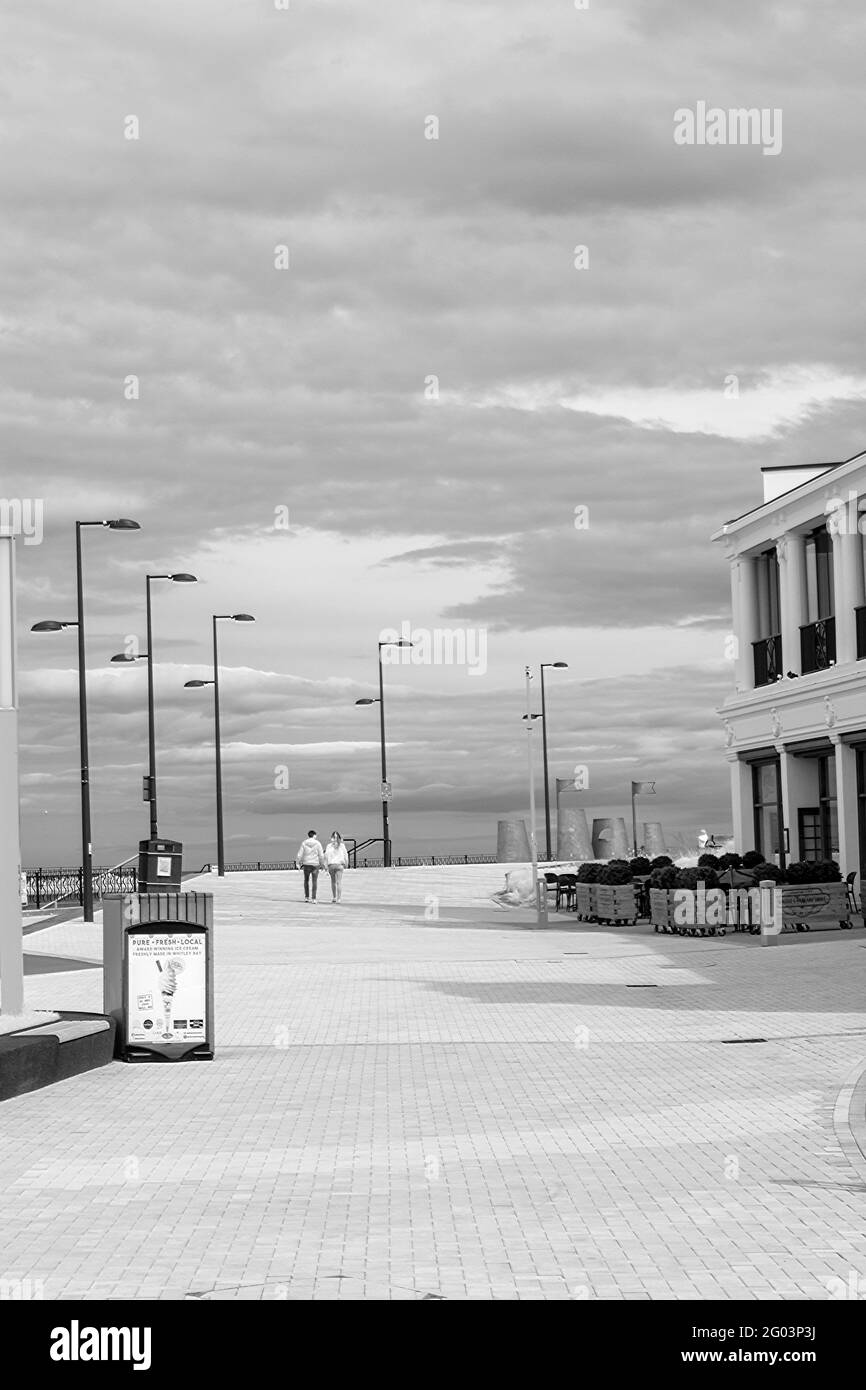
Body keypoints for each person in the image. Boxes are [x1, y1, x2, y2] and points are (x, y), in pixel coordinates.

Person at [295, 829, 325, 903]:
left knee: (306, 881)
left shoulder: (304, 843)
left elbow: (299, 854)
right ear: (314, 835)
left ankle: (306, 897)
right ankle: (314, 898)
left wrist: (297, 863)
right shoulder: (318, 843)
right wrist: (322, 864)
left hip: (306, 864)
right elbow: (321, 855)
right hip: (315, 864)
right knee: (314, 881)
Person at [325, 831, 349, 902]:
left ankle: (334, 897)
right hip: (339, 865)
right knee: (339, 882)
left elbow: (326, 856)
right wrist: (346, 863)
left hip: (331, 865)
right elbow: (346, 855)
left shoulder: (329, 846)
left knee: (333, 882)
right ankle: (339, 898)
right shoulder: (342, 845)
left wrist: (326, 866)